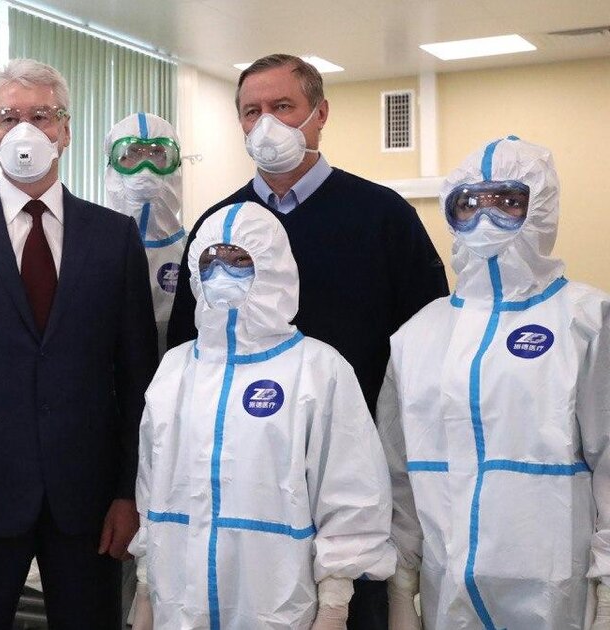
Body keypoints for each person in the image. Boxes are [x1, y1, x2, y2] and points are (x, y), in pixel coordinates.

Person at [165, 54, 448, 627]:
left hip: (357, 473)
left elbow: (428, 343)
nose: (265, 123)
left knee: (353, 605)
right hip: (247, 472)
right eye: (252, 111)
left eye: (282, 106)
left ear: (320, 114)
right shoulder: (218, 227)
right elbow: (188, 348)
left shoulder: (382, 216)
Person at [0, 58, 158, 629]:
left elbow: (139, 378)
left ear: (65, 130)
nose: (24, 130)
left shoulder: (113, 238)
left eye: (41, 116)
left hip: (89, 501)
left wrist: (130, 492)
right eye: (8, 117)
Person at [378, 136, 610, 630]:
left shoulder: (587, 320)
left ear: (540, 206)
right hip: (448, 591)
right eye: (469, 204)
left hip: (556, 592)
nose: (486, 219)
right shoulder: (419, 334)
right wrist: (401, 583)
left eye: (507, 201)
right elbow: (398, 471)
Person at [132, 201, 395, 629]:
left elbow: (350, 487)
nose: (222, 273)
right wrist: (145, 581)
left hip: (274, 598)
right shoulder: (175, 370)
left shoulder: (317, 369)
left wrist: (334, 601)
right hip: (178, 595)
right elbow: (151, 479)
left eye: (239, 260)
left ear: (273, 266)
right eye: (210, 261)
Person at [104, 112, 186, 348]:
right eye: (132, 153)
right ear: (112, 165)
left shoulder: (193, 251)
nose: (146, 169)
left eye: (158, 153)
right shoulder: (88, 248)